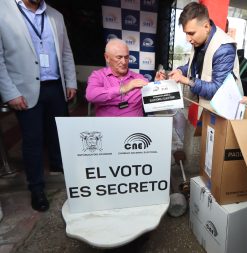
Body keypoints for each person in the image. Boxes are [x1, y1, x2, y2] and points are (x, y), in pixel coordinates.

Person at [0, 0, 77, 212]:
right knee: (33, 140)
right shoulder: (3, 10)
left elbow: (66, 53)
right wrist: (10, 93)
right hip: (24, 89)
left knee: (58, 133)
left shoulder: (56, 15)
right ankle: (36, 188)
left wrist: (70, 81)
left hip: (55, 86)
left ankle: (58, 166)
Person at [157, 2, 243, 106]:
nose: (188, 39)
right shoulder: (199, 41)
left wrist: (186, 80)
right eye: (186, 33)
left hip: (225, 110)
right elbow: (191, 66)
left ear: (206, 26)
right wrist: (179, 71)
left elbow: (218, 91)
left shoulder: (224, 48)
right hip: (205, 106)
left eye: (191, 33)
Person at [86, 39, 148, 117]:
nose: (124, 62)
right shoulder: (98, 76)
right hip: (107, 126)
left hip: (134, 127)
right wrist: (123, 89)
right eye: (119, 57)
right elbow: (91, 95)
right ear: (107, 57)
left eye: (126, 57)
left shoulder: (138, 78)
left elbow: (154, 97)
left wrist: (160, 83)